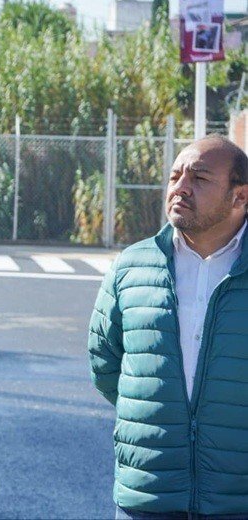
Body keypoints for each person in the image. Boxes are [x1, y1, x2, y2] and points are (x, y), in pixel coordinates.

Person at [89, 135, 248, 519]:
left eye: (199, 178)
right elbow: (105, 365)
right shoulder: (132, 265)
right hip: (148, 496)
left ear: (240, 197)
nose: (180, 187)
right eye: (175, 176)